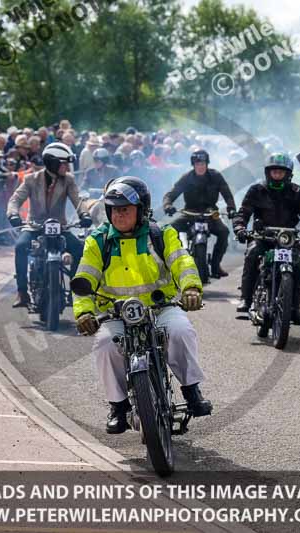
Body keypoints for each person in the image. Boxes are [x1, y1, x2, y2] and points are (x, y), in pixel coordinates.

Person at [72, 177, 212, 433]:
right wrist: (84, 313)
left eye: (125, 209)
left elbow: (182, 261)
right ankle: (118, 406)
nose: (118, 215)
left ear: (141, 209)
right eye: (114, 209)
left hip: (161, 308)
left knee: (181, 331)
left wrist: (191, 287)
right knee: (104, 344)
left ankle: (192, 391)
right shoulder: (98, 241)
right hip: (115, 314)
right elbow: (84, 279)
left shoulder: (162, 234)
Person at [233, 153, 300, 324]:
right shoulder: (257, 190)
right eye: (274, 172)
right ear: (268, 173)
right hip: (262, 237)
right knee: (252, 253)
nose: (277, 175)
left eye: (281, 172)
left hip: (287, 239)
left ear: (288, 174)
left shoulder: (298, 192)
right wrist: (240, 228)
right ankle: (246, 298)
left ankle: (294, 308)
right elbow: (243, 213)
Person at [7, 142, 92, 307]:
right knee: (20, 246)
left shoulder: (68, 180)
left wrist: (85, 214)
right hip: (34, 226)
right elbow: (15, 199)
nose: (67, 167)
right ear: (53, 162)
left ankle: (75, 292)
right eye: (64, 163)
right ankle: (22, 292)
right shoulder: (31, 179)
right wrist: (13, 214)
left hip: (60, 227)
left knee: (80, 248)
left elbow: (78, 199)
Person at [163, 149, 235, 278]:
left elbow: (227, 194)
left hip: (210, 213)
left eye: (203, 163)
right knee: (168, 231)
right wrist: (168, 205)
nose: (200, 166)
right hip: (190, 213)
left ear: (207, 164)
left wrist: (231, 208)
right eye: (197, 164)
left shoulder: (216, 176)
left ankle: (215, 265)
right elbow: (171, 194)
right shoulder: (186, 177)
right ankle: (172, 263)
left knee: (224, 232)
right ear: (193, 165)